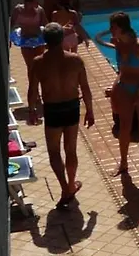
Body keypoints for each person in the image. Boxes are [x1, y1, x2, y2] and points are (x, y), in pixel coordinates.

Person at [27, 23, 95, 208]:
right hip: (71, 107)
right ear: (62, 38)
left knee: (54, 151)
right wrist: (90, 110)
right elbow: (85, 88)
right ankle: (71, 185)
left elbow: (32, 90)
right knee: (70, 150)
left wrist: (32, 111)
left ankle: (65, 188)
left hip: (52, 109)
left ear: (44, 40)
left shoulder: (38, 62)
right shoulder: (75, 60)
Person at [94, 13, 139, 179]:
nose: (110, 30)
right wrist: (115, 86)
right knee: (124, 127)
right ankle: (123, 163)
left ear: (122, 28)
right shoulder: (117, 42)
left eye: (113, 27)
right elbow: (99, 39)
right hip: (124, 87)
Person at [11, 0, 49, 122]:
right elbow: (11, 24)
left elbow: (46, 24)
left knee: (40, 66)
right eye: (35, 0)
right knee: (30, 67)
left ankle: (42, 93)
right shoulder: (18, 10)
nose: (37, 2)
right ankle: (35, 93)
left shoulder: (39, 10)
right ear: (29, 1)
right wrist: (9, 38)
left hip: (38, 40)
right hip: (25, 40)